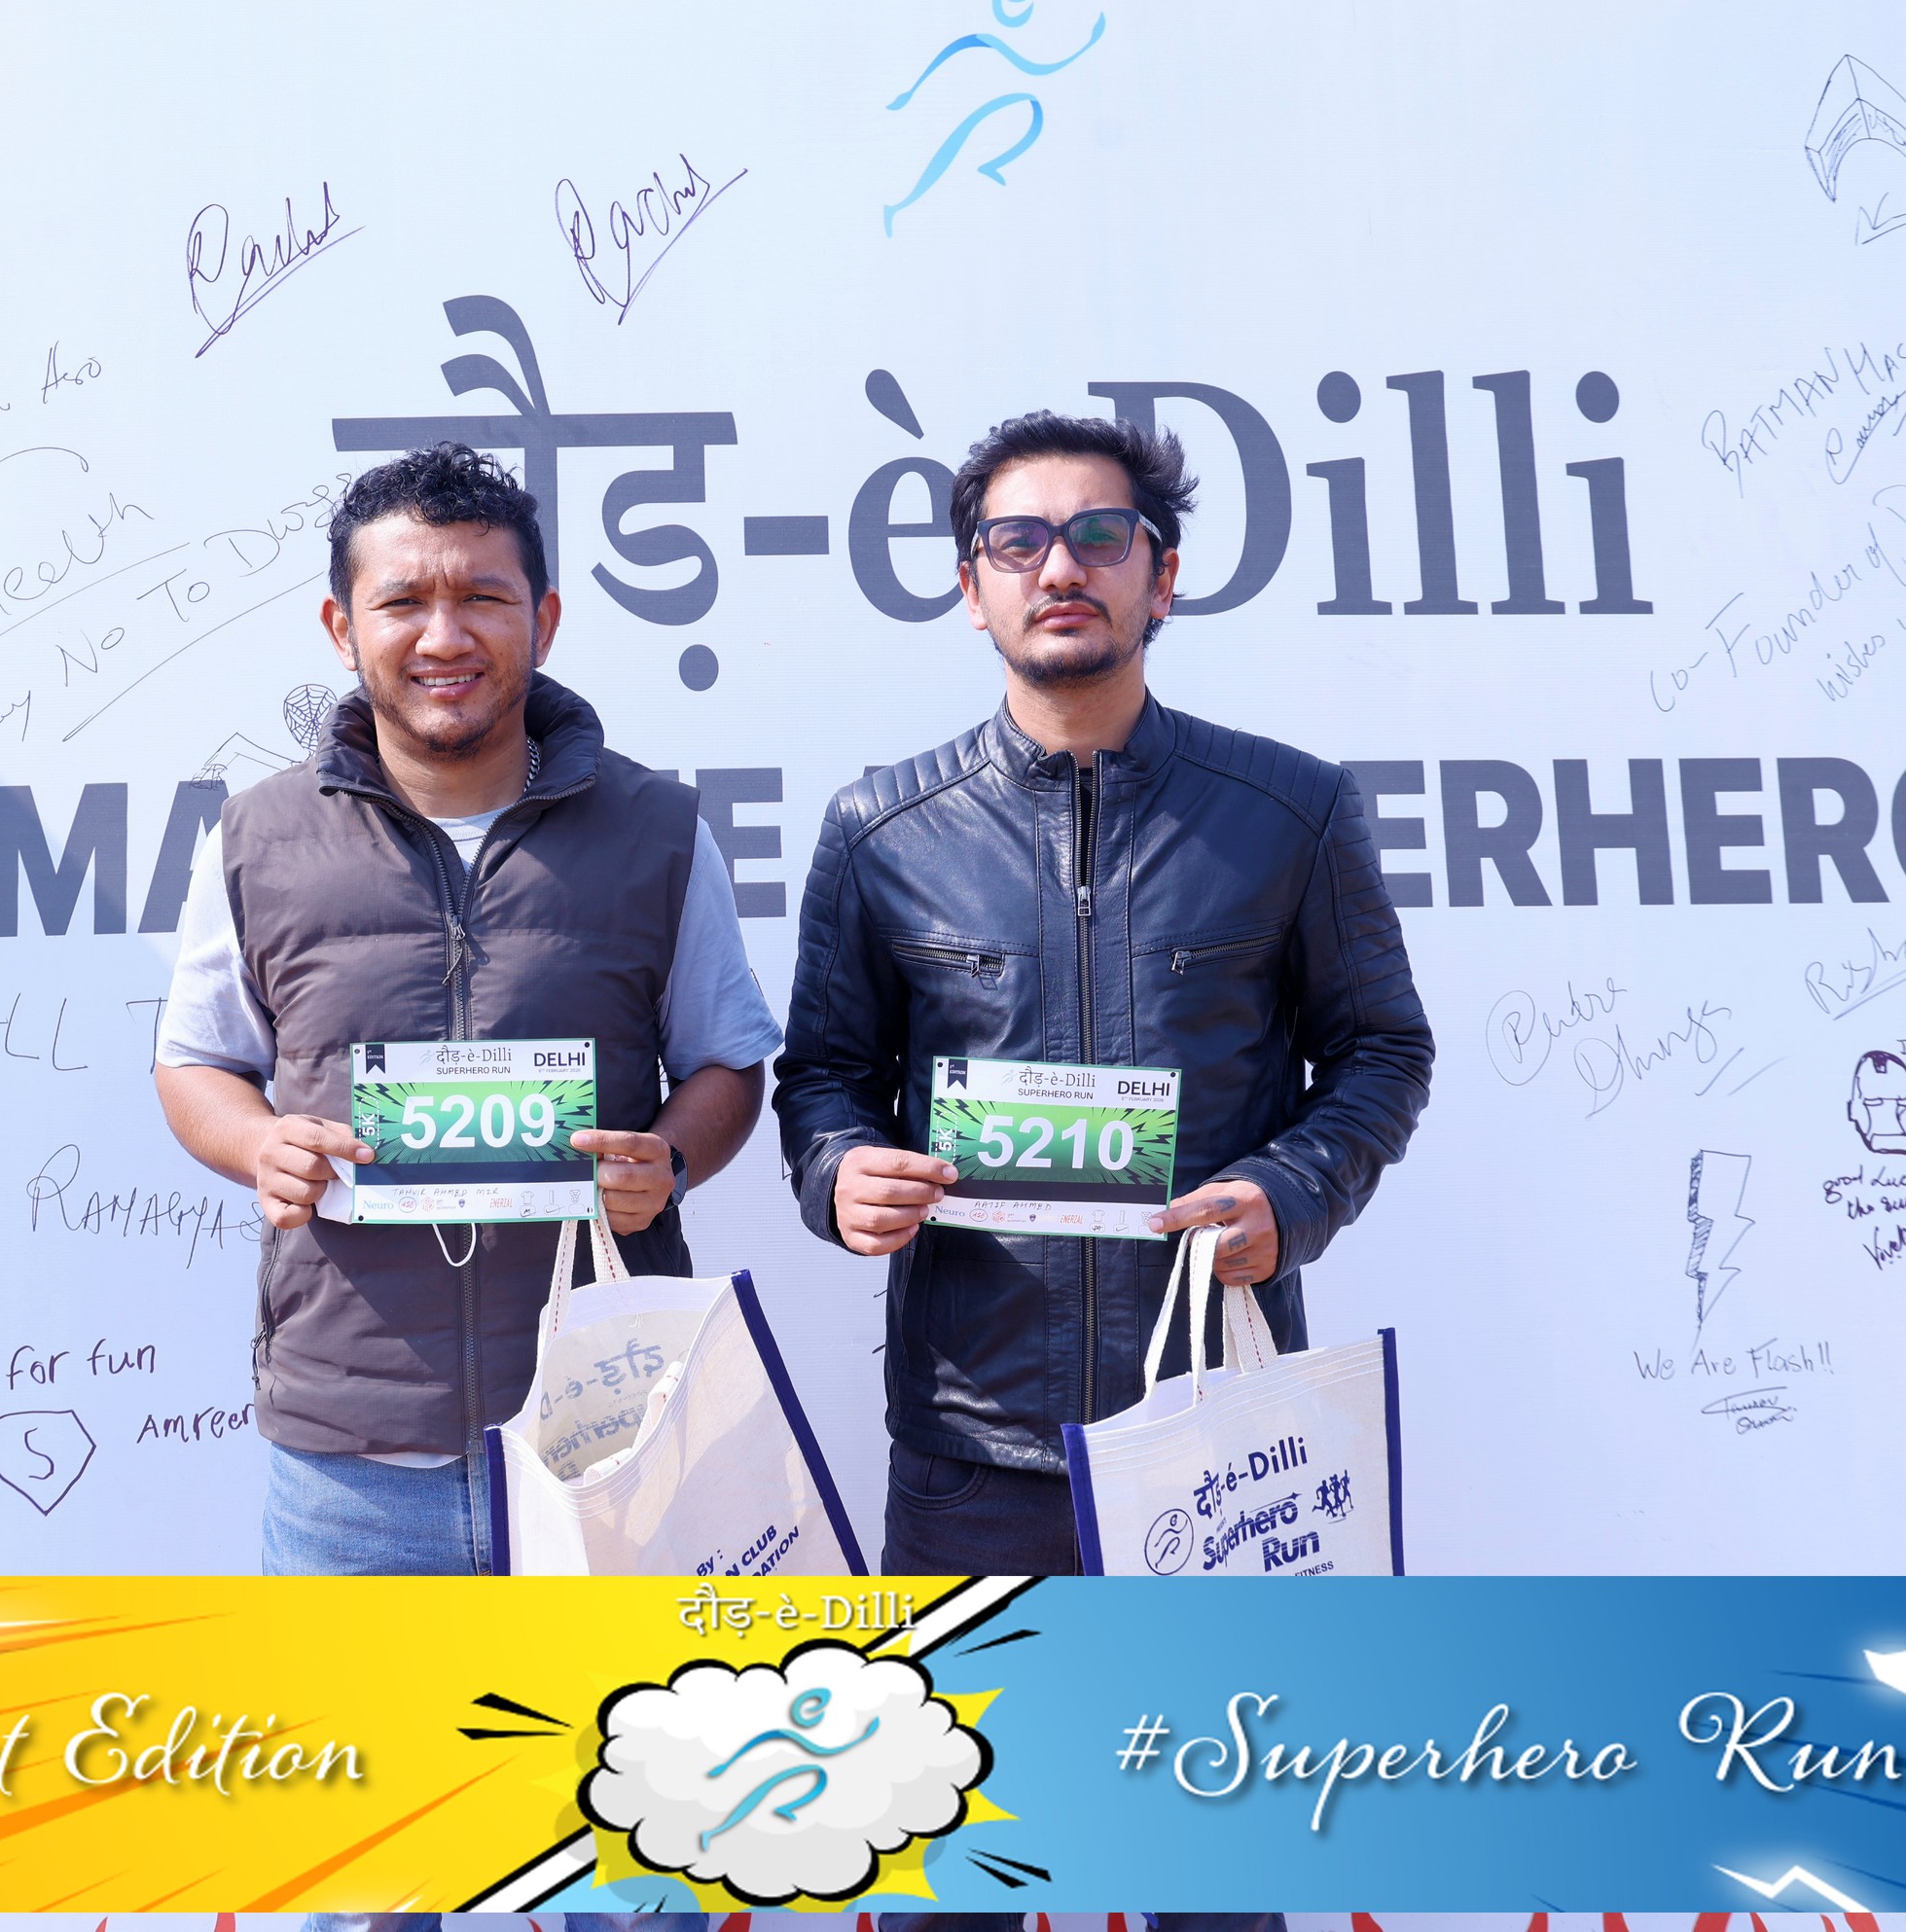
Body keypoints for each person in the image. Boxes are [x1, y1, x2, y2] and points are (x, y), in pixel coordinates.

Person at [774, 410, 1437, 1578]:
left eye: (1099, 536)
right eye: (1018, 541)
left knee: (1235, 1707)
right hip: (970, 1455)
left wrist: (1292, 1192)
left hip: (1222, 1427)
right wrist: (840, 1171)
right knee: (979, 1708)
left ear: (1161, 578)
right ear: (972, 589)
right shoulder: (882, 831)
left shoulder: (1292, 811)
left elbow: (1381, 1050)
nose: (1060, 569)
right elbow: (825, 1076)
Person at [156, 443, 780, 1577]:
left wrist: (672, 1159)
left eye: (484, 598)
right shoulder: (255, 838)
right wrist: (259, 1144)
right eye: (403, 601)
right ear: (342, 627)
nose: (443, 636)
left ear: (543, 618)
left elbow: (729, 1060)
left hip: (606, 1441)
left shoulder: (660, 830)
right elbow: (196, 1061)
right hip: (349, 1463)